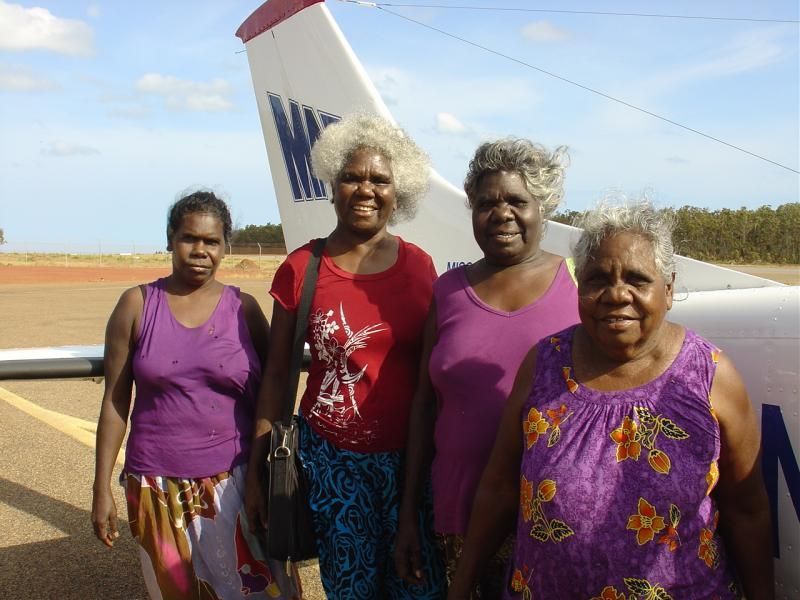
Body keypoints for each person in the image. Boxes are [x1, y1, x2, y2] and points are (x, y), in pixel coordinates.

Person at [447, 200, 773, 599]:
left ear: (667, 290)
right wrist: (461, 586)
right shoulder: (545, 363)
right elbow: (499, 487)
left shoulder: (709, 376)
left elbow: (747, 510)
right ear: (580, 287)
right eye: (599, 279)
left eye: (637, 280)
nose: (617, 294)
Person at [245, 114, 445, 599]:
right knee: (351, 589)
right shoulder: (302, 268)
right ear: (331, 184)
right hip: (333, 462)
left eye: (380, 179)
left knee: (419, 587)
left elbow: (431, 375)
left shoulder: (420, 267)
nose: (365, 189)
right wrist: (257, 471)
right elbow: (277, 376)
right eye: (351, 177)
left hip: (410, 464)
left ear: (400, 192)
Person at [394, 138, 579, 598]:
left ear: (543, 208)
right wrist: (408, 515)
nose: (501, 214)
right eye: (485, 203)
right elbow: (423, 405)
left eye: (517, 201)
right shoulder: (448, 291)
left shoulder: (579, 283)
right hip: (459, 511)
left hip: (553, 516)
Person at [91, 191, 298, 599]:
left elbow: (273, 391)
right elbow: (115, 403)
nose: (200, 250)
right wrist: (100, 489)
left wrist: (263, 476)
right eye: (189, 238)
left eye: (211, 242)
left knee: (262, 590)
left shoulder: (244, 309)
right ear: (170, 239)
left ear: (226, 247)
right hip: (155, 486)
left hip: (237, 484)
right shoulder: (136, 305)